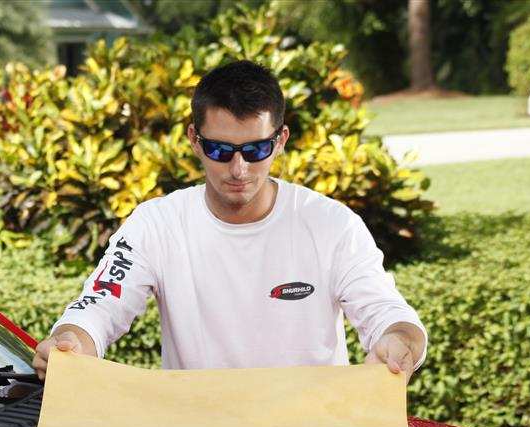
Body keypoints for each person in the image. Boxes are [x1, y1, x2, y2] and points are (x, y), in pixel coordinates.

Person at [33, 60, 426, 379]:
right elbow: (100, 305)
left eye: (256, 150)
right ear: (194, 139)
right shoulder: (156, 224)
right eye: (220, 150)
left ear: (281, 140)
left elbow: (386, 312)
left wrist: (399, 341)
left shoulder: (332, 225)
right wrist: (72, 341)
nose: (239, 169)